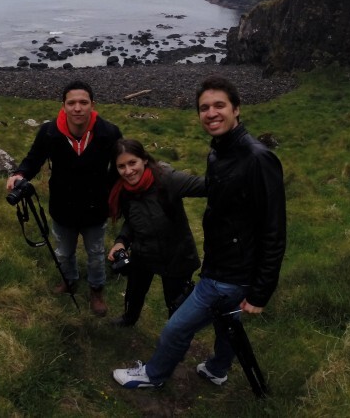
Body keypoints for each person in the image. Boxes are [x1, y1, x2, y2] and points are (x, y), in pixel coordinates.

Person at [113, 74, 286, 388]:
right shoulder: (219, 151)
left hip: (230, 270)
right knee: (227, 323)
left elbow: (274, 229)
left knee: (177, 328)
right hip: (221, 261)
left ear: (236, 109)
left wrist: (261, 291)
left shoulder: (258, 159)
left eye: (219, 105)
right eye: (204, 108)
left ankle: (153, 375)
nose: (211, 113)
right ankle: (218, 369)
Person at [6, 80, 122, 316]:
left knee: (97, 255)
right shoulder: (49, 132)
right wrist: (19, 174)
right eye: (72, 103)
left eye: (83, 102)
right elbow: (34, 159)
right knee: (63, 252)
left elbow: (121, 164)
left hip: (96, 208)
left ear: (92, 105)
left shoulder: (109, 132)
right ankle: (69, 280)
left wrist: (112, 194)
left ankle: (96, 289)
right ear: (63, 106)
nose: (77, 108)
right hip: (62, 207)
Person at [107, 139, 203, 327]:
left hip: (176, 255)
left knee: (176, 303)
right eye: (121, 166)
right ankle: (129, 319)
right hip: (143, 252)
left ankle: (174, 340)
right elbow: (132, 221)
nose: (128, 171)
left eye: (132, 163)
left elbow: (206, 186)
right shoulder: (124, 190)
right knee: (134, 291)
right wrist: (121, 241)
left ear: (144, 159)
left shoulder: (167, 179)